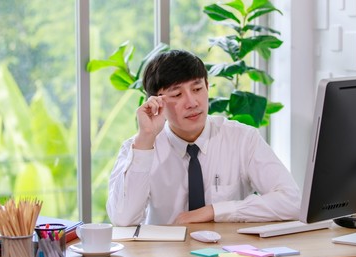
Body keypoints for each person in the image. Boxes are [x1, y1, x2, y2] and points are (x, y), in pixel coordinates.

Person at [106, 49, 301, 226]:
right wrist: (146, 139)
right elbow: (122, 220)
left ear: (207, 86)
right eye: (177, 94)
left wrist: (214, 211)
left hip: (229, 256)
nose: (192, 102)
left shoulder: (242, 139)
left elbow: (292, 201)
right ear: (156, 102)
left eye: (198, 89)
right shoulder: (139, 147)